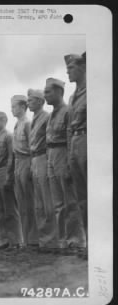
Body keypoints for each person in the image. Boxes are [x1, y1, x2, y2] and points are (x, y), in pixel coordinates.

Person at [44, 78, 86, 255]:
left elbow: (69, 137)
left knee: (70, 201)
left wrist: (69, 162)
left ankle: (75, 241)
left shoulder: (67, 111)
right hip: (52, 156)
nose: (46, 95)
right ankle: (62, 240)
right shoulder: (52, 113)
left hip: (63, 153)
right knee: (58, 204)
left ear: (59, 92)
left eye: (48, 92)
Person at [27, 89, 59, 253]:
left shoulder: (46, 117)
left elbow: (48, 140)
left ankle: (52, 240)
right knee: (38, 202)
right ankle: (44, 239)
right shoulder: (34, 118)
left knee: (47, 201)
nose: (28, 103)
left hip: (43, 157)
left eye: (31, 100)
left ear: (40, 101)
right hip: (34, 159)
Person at [65, 53, 88, 259]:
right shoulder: (72, 97)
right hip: (75, 144)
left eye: (71, 67)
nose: (68, 71)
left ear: (83, 68)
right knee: (81, 199)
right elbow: (69, 127)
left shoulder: (93, 91)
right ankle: (89, 243)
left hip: (88, 141)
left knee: (94, 196)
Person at [0, 111, 23, 250]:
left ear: (4, 121)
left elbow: (11, 156)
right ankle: (3, 239)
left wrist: (9, 174)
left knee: (10, 208)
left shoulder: (8, 136)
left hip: (5, 171)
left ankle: (15, 241)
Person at [11, 95, 38, 248]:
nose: (12, 109)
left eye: (14, 106)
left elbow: (32, 146)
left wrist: (30, 167)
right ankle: (26, 239)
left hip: (26, 160)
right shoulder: (17, 124)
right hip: (17, 162)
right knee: (21, 203)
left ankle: (34, 239)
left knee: (30, 202)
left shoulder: (27, 123)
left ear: (22, 107)